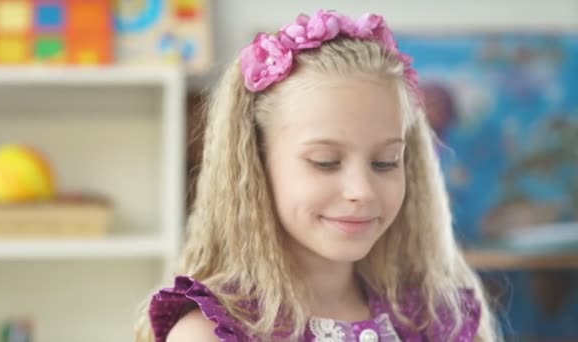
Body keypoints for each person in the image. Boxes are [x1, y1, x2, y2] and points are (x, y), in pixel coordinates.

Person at [135, 9, 500, 342]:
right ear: (255, 164)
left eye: (386, 162)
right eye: (325, 162)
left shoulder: (436, 320)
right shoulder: (209, 334)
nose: (362, 191)